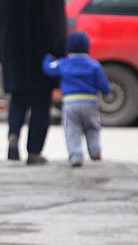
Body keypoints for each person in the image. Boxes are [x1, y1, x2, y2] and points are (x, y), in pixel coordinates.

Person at [0, 0, 66, 165]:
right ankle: (34, 152)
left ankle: (13, 137)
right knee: (41, 102)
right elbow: (58, 18)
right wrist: (59, 50)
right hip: (42, 52)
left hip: (14, 52)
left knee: (18, 97)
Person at [43, 31, 111, 167]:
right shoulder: (94, 65)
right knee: (92, 128)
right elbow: (104, 85)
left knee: (72, 130)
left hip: (70, 102)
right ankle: (95, 151)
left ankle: (76, 156)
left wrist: (47, 57)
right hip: (90, 102)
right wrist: (106, 92)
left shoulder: (64, 63)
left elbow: (49, 69)